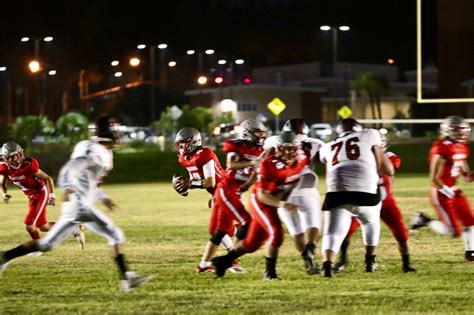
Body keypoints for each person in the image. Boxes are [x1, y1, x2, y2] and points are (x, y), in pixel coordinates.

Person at [0, 116, 152, 293]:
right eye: (116, 131)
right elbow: (70, 169)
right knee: (115, 234)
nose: (119, 135)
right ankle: (127, 278)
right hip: (79, 204)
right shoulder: (94, 150)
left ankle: (5, 256)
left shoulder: (102, 151)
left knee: (47, 244)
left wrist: (103, 198)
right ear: (108, 132)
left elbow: (91, 182)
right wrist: (67, 186)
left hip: (75, 205)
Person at [212, 130, 309, 280]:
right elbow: (262, 195)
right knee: (276, 233)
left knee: (252, 244)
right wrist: (283, 203)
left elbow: (294, 181)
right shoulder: (269, 164)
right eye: (285, 148)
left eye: (293, 149)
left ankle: (223, 261)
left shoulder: (302, 160)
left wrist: (287, 196)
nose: (289, 152)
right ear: (279, 149)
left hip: (274, 200)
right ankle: (269, 273)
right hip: (260, 201)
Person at [318, 118, 394, 277]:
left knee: (332, 233)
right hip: (364, 192)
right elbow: (387, 169)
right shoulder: (370, 134)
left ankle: (327, 266)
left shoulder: (328, 146)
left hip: (335, 193)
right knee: (370, 222)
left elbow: (328, 164)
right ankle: (370, 261)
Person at [333, 132, 416, 273]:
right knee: (345, 231)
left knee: (401, 233)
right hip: (364, 201)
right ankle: (343, 259)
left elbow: (387, 169)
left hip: (386, 202)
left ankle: (406, 263)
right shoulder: (361, 158)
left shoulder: (390, 156)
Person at [172, 127, 243, 273]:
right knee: (218, 229)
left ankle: (225, 259)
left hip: (227, 189)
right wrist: (186, 188)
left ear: (193, 142)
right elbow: (195, 179)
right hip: (219, 192)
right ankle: (231, 258)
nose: (180, 146)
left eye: (183, 143)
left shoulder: (205, 154)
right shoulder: (184, 158)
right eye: (179, 143)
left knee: (221, 230)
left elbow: (210, 182)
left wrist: (189, 184)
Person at [410, 115, 474, 262]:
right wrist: (448, 192)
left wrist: (470, 176)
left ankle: (470, 253)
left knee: (470, 222)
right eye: (458, 131)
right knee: (453, 232)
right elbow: (434, 178)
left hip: (454, 190)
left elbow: (466, 176)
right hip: (441, 192)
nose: (462, 134)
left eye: (463, 130)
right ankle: (424, 220)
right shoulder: (441, 147)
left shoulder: (462, 147)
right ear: (449, 131)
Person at [276, 118, 325, 275]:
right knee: (313, 226)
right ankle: (310, 246)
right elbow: (325, 160)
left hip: (284, 191)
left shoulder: (275, 141)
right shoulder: (315, 143)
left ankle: (308, 263)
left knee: (296, 231)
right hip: (306, 188)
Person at [0, 141, 57, 242]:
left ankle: (38, 247)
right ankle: (71, 227)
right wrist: (4, 193)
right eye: (12, 157)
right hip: (31, 196)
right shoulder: (4, 167)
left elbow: (48, 178)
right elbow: (2, 183)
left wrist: (52, 196)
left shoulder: (29, 164)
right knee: (42, 226)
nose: (17, 159)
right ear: (5, 158)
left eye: (18, 155)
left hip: (40, 192)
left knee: (31, 225)